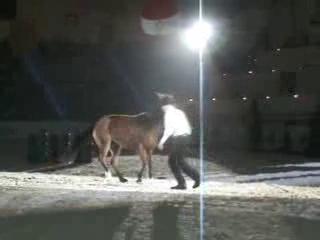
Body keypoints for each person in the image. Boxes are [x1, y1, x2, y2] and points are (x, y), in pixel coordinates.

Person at [156, 93, 200, 190]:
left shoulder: (168, 114)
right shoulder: (179, 112)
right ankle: (193, 179)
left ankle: (185, 182)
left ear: (165, 106)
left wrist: (161, 142)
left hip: (179, 138)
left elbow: (169, 130)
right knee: (179, 161)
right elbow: (188, 127)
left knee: (173, 161)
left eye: (162, 106)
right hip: (186, 137)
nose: (161, 109)